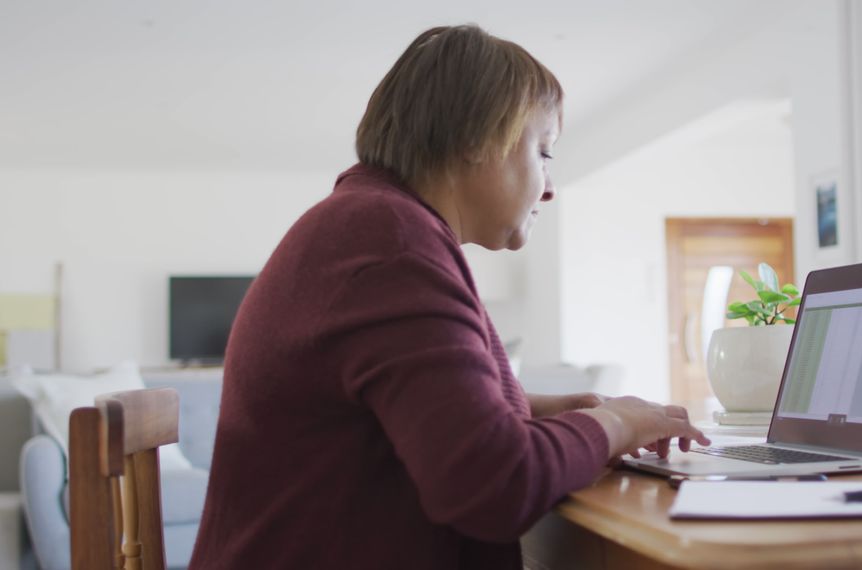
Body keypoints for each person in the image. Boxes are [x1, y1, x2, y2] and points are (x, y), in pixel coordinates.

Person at [189, 24, 709, 569]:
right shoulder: (392, 246)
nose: (550, 186)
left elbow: (384, 410)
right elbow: (494, 486)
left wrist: (532, 411)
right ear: (476, 138)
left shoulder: (368, 224)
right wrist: (616, 424)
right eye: (544, 151)